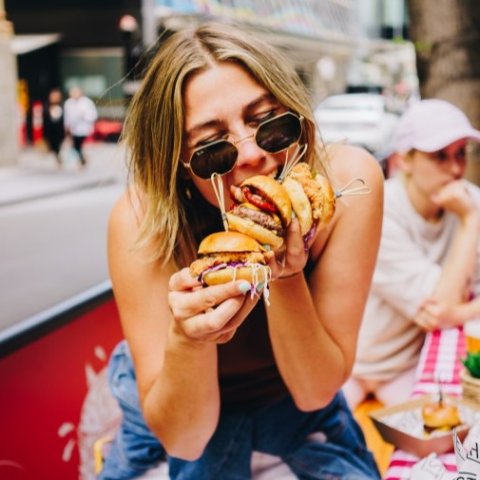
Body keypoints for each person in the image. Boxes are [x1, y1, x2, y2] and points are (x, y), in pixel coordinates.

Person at [100, 22, 383, 480]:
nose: (251, 155)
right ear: (177, 165)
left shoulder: (349, 182)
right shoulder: (140, 222)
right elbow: (185, 438)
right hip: (174, 410)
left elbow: (314, 392)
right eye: (211, 148)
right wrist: (188, 338)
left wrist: (288, 275)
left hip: (293, 406)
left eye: (268, 122)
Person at [343, 99, 480, 410]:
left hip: (409, 366)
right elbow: (440, 306)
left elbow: (446, 311)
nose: (456, 169)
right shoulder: (380, 210)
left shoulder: (470, 201)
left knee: (454, 433)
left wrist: (458, 314)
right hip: (351, 364)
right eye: (439, 156)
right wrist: (470, 223)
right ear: (404, 159)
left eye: (461, 153)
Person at [63, 86, 97, 167]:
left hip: (84, 129)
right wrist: (66, 126)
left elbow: (93, 115)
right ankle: (81, 158)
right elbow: (67, 117)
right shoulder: (68, 103)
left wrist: (84, 115)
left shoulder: (87, 102)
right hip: (73, 129)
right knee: (75, 145)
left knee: (79, 144)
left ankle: (82, 158)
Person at [42, 88, 65, 166]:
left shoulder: (62, 106)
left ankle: (59, 158)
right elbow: (45, 119)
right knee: (53, 145)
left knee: (59, 144)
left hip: (60, 130)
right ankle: (58, 158)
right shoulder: (47, 106)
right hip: (50, 130)